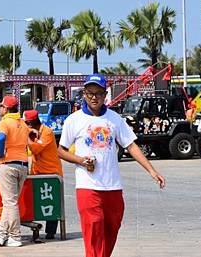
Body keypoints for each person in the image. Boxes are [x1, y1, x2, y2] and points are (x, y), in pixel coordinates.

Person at [58, 74, 165, 257]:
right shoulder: (74, 120)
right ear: (84, 94)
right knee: (94, 228)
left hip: (113, 186)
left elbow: (130, 145)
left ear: (105, 94)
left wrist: (152, 171)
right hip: (88, 186)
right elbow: (61, 150)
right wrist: (81, 161)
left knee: (111, 228)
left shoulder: (114, 119)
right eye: (90, 93)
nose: (94, 97)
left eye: (98, 93)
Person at [0, 96, 29, 248]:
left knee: (10, 203)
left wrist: (1, 153)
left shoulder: (4, 122)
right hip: (23, 164)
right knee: (10, 203)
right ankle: (2, 234)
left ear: (6, 109)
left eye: (1, 107)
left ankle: (15, 237)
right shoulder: (23, 123)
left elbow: (0, 140)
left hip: (8, 164)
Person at [24, 109, 63, 240]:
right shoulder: (32, 131)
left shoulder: (47, 132)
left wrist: (27, 137)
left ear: (33, 122)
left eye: (28, 124)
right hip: (36, 171)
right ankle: (35, 227)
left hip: (51, 171)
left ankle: (51, 232)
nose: (27, 126)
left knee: (51, 201)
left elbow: (35, 148)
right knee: (36, 202)